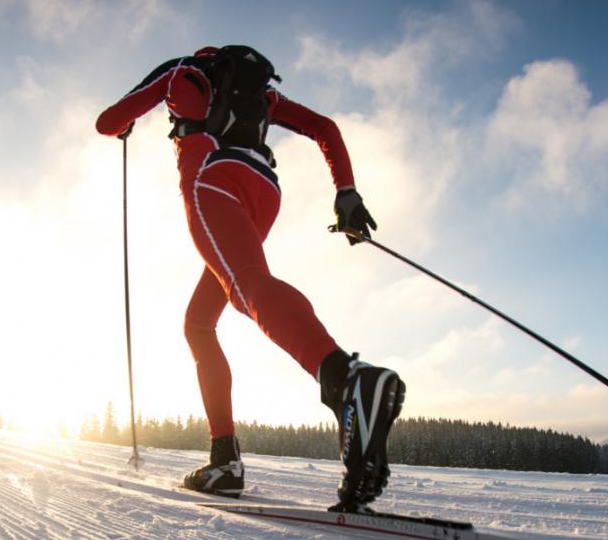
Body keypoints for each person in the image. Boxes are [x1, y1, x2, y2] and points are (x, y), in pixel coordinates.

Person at [96, 45, 405, 511]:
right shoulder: (263, 97)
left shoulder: (183, 74)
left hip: (211, 180)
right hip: (264, 193)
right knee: (199, 322)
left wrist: (128, 123)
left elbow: (107, 122)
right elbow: (326, 128)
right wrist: (346, 194)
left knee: (246, 288)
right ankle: (225, 461)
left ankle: (344, 379)